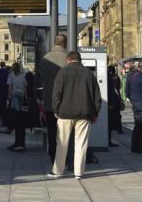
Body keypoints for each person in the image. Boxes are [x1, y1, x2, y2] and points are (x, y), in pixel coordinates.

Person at [48, 51, 102, 180]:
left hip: (65, 113)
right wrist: (95, 113)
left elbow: (56, 94)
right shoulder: (89, 74)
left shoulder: (62, 72)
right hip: (85, 113)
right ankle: (79, 172)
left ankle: (58, 171)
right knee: (81, 143)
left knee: (62, 143)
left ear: (68, 60)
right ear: (79, 60)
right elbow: (97, 97)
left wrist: (55, 109)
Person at [41, 34, 68, 163]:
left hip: (49, 101)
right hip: (65, 102)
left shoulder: (46, 58)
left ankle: (53, 155)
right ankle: (65, 156)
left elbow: (41, 77)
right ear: (65, 44)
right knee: (65, 131)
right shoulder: (68, 58)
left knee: (52, 131)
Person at [6, 63, 28, 151]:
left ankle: (14, 123)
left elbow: (10, 86)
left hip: (15, 94)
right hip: (21, 94)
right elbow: (25, 86)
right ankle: (19, 118)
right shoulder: (22, 76)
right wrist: (26, 96)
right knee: (20, 111)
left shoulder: (11, 75)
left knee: (16, 111)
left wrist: (9, 96)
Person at [107, 65, 122, 146]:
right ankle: (118, 129)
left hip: (111, 101)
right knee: (114, 118)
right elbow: (117, 88)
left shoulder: (109, 77)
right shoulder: (115, 78)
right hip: (113, 101)